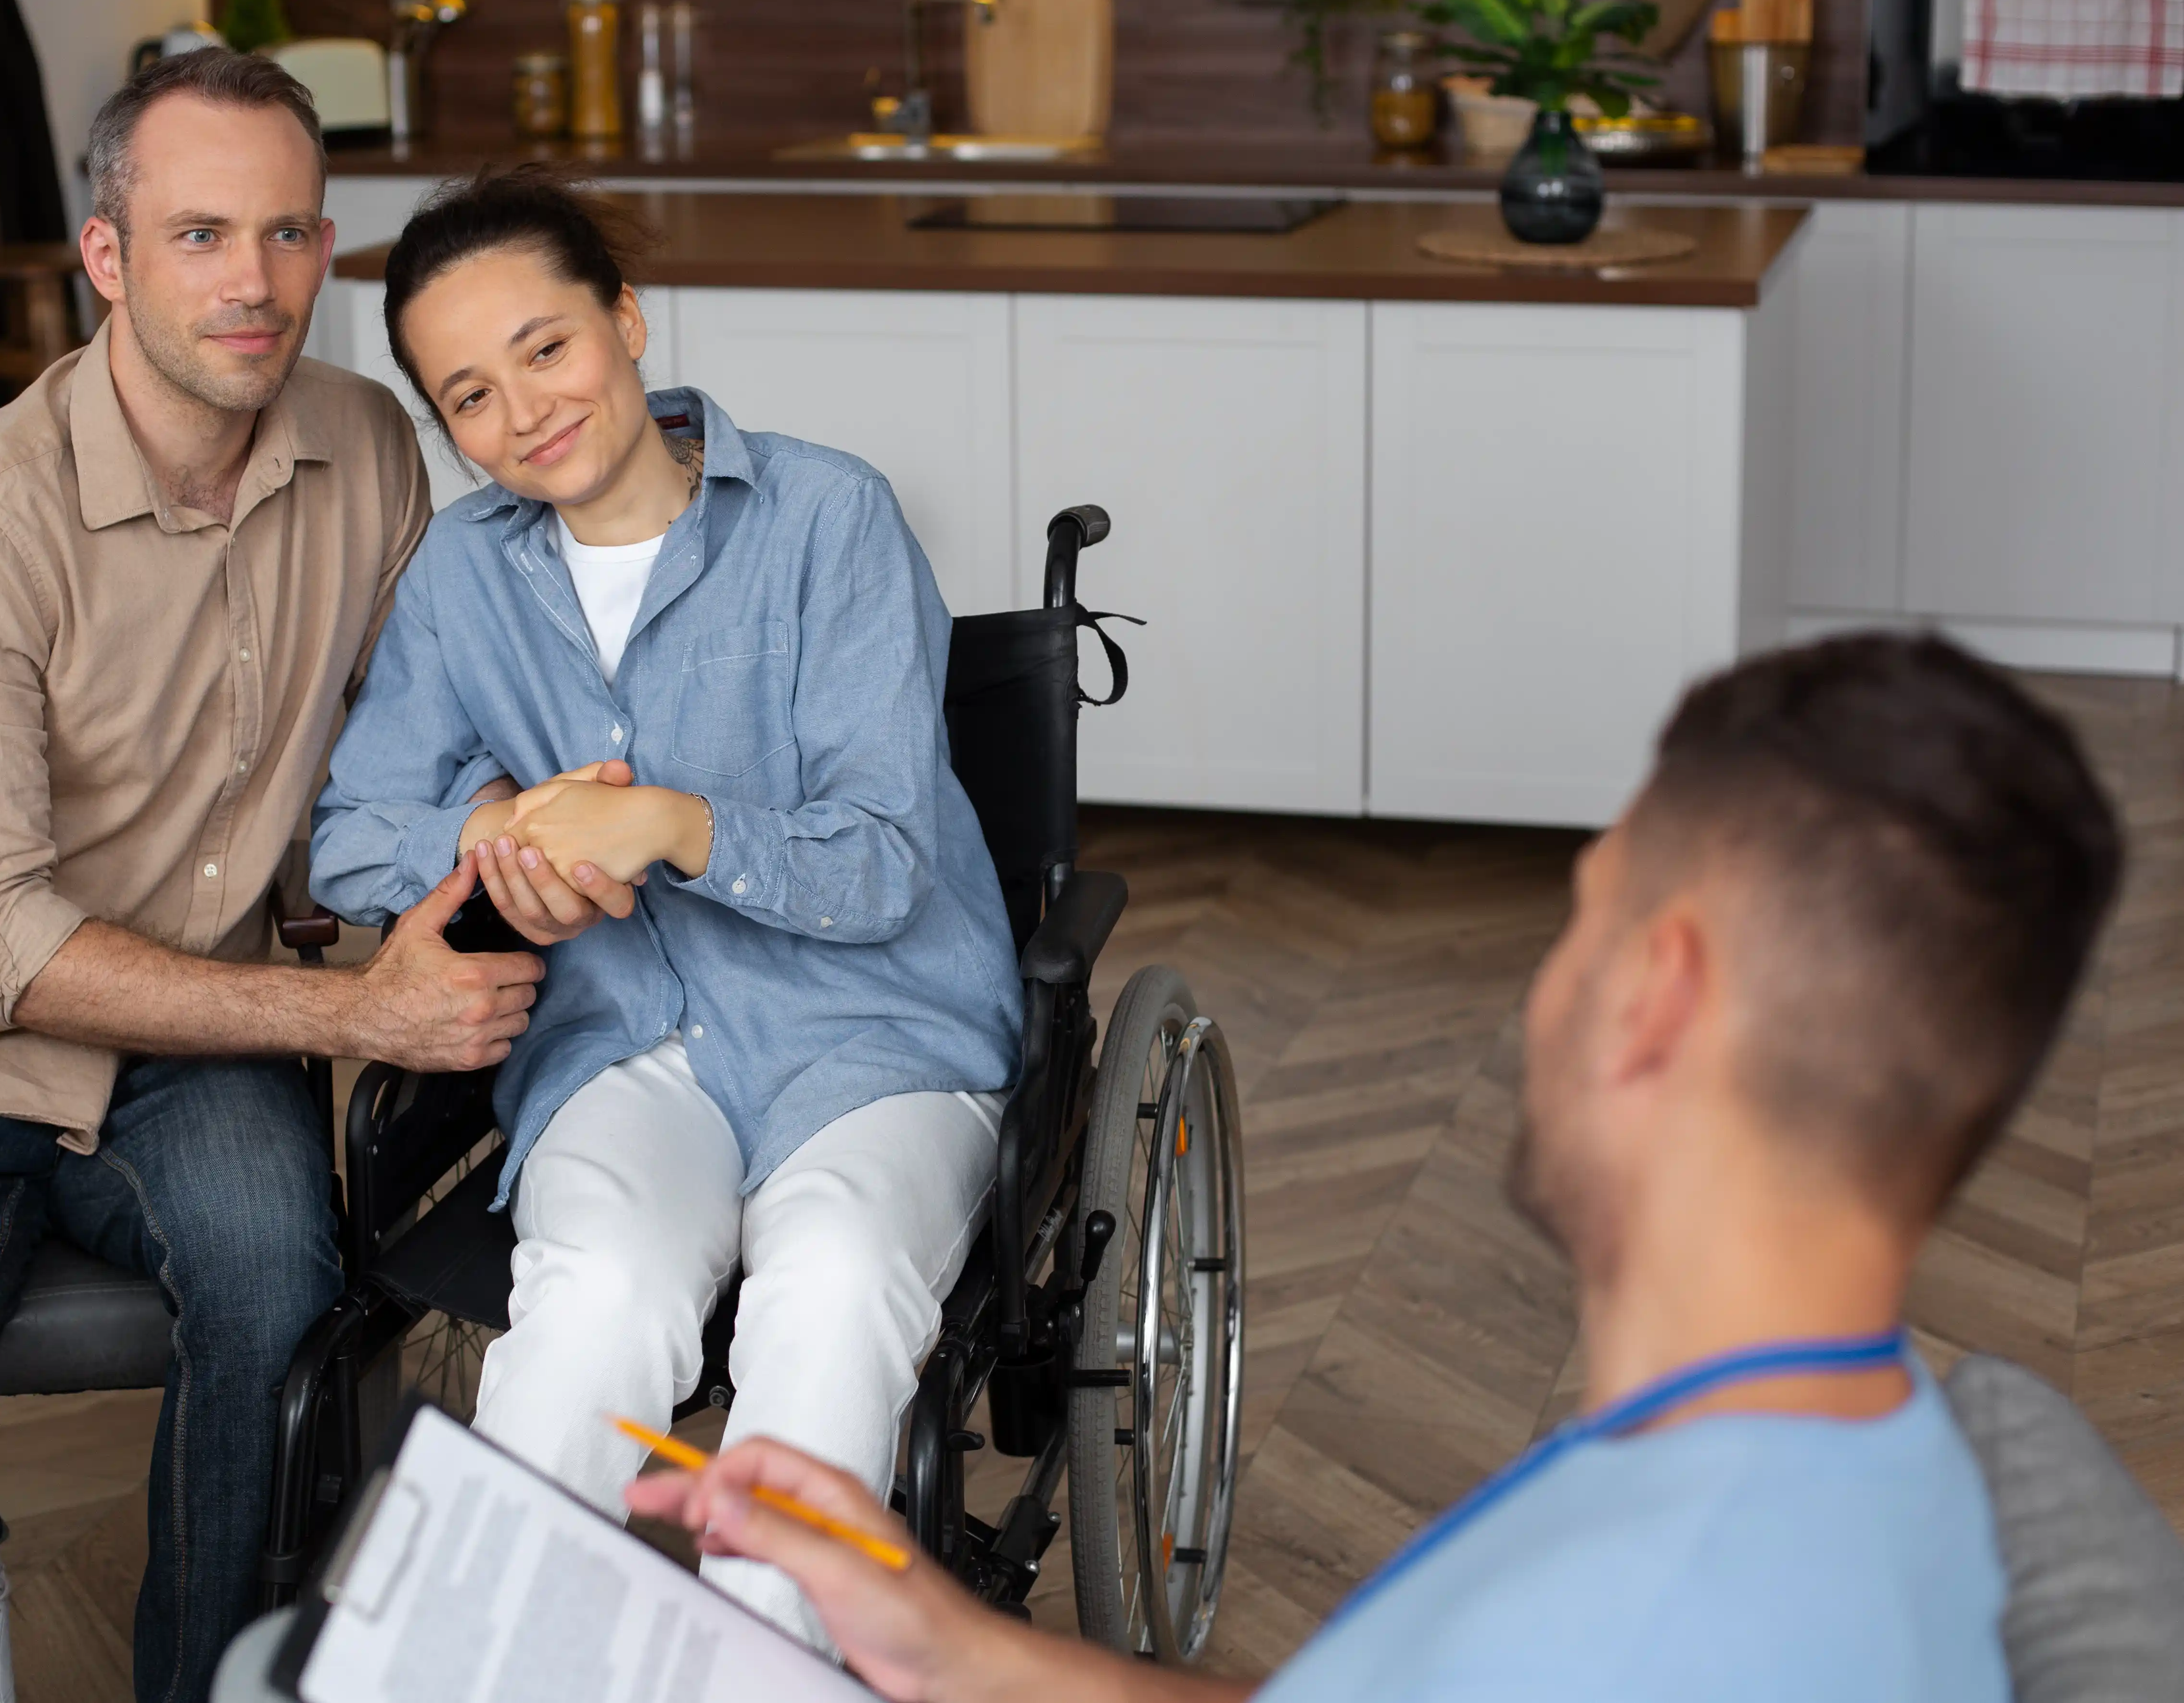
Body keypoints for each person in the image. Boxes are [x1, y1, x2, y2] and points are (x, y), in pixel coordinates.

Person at [631, 632, 2123, 1703]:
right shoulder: (1846, 1465)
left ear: (1654, 997)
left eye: (1580, 918)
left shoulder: (1644, 1618)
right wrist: (969, 1658)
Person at [0, 55, 623, 1703]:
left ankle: (210, 1684)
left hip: (193, 1056)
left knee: (283, 1291)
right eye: (201, 233)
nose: (253, 284)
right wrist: (357, 1007)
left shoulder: (367, 451)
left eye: (287, 236)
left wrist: (511, 823)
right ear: (108, 256)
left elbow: (405, 747)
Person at [307, 166, 1023, 1645]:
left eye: (546, 348)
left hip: (874, 1032)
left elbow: (884, 859)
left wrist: (673, 825)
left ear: (627, 321)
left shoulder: (829, 518)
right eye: (469, 397)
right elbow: (350, 839)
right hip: (627, 1035)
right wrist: (493, 833)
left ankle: (765, 1671)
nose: (524, 412)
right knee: (593, 1306)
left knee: (827, 1295)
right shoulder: (462, 577)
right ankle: (486, 1671)